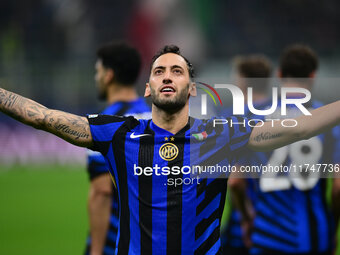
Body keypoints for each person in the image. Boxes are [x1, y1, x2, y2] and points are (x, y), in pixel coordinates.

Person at [0, 45, 340, 254]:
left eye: (177, 71)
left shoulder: (220, 135)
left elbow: (304, 125)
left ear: (191, 88)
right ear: (147, 89)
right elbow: (44, 118)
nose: (167, 76)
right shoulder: (118, 132)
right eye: (159, 71)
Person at [228, 44, 340, 255]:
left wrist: (245, 218)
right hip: (315, 237)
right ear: (313, 76)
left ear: (279, 74)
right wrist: (332, 223)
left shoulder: (252, 117)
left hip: (267, 235)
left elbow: (235, 181)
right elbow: (338, 187)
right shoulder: (329, 123)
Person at [85, 41, 151, 255]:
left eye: (98, 71)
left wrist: (96, 251)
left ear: (109, 75)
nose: (96, 78)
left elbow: (102, 190)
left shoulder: (102, 124)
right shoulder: (154, 118)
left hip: (115, 240)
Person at [220, 55, 273, 255]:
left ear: (242, 81)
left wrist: (244, 215)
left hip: (243, 222)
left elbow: (235, 180)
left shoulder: (233, 119)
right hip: (280, 222)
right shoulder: (285, 116)